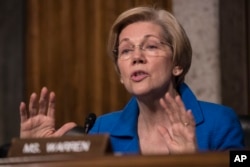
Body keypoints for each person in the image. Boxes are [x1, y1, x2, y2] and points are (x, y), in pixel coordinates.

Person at [19, 6, 244, 155]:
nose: (136, 57)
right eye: (126, 51)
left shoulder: (220, 122)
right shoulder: (101, 129)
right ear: (120, 73)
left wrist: (194, 161)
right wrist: (33, 155)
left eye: (151, 46)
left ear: (177, 64)